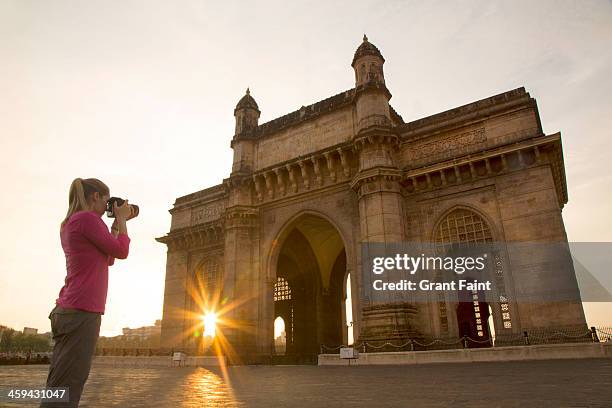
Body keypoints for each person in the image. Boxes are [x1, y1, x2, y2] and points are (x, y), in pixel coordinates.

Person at [40, 178, 133, 407]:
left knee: (60, 383)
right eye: (106, 200)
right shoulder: (88, 219)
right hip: (81, 310)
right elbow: (121, 251)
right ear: (95, 197)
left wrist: (114, 227)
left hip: (70, 309)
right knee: (69, 385)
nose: (107, 206)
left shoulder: (73, 221)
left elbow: (108, 258)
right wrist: (122, 219)